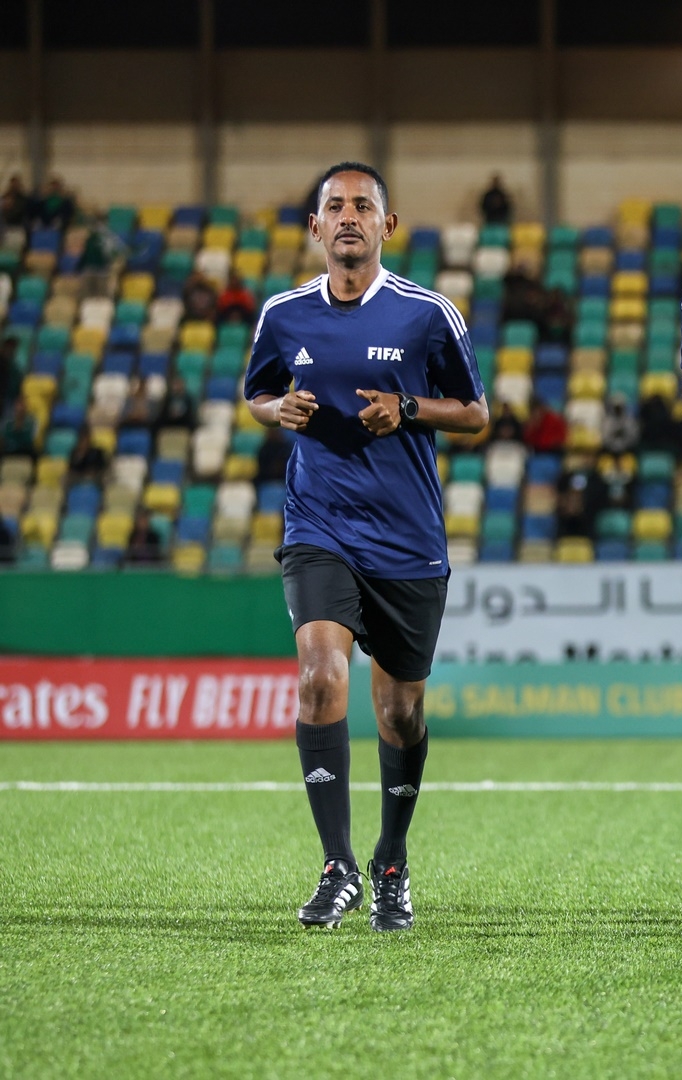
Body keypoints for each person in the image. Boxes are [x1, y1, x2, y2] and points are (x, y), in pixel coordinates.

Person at [244, 161, 488, 933]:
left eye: (363, 206)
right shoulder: (283, 314)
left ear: (388, 225)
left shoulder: (427, 314)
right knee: (320, 676)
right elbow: (257, 394)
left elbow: (476, 413)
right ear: (315, 227)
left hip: (407, 542)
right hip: (319, 527)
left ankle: (391, 860)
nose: (348, 216)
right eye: (335, 206)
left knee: (399, 712)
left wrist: (408, 408)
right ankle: (337, 865)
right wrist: (276, 409)